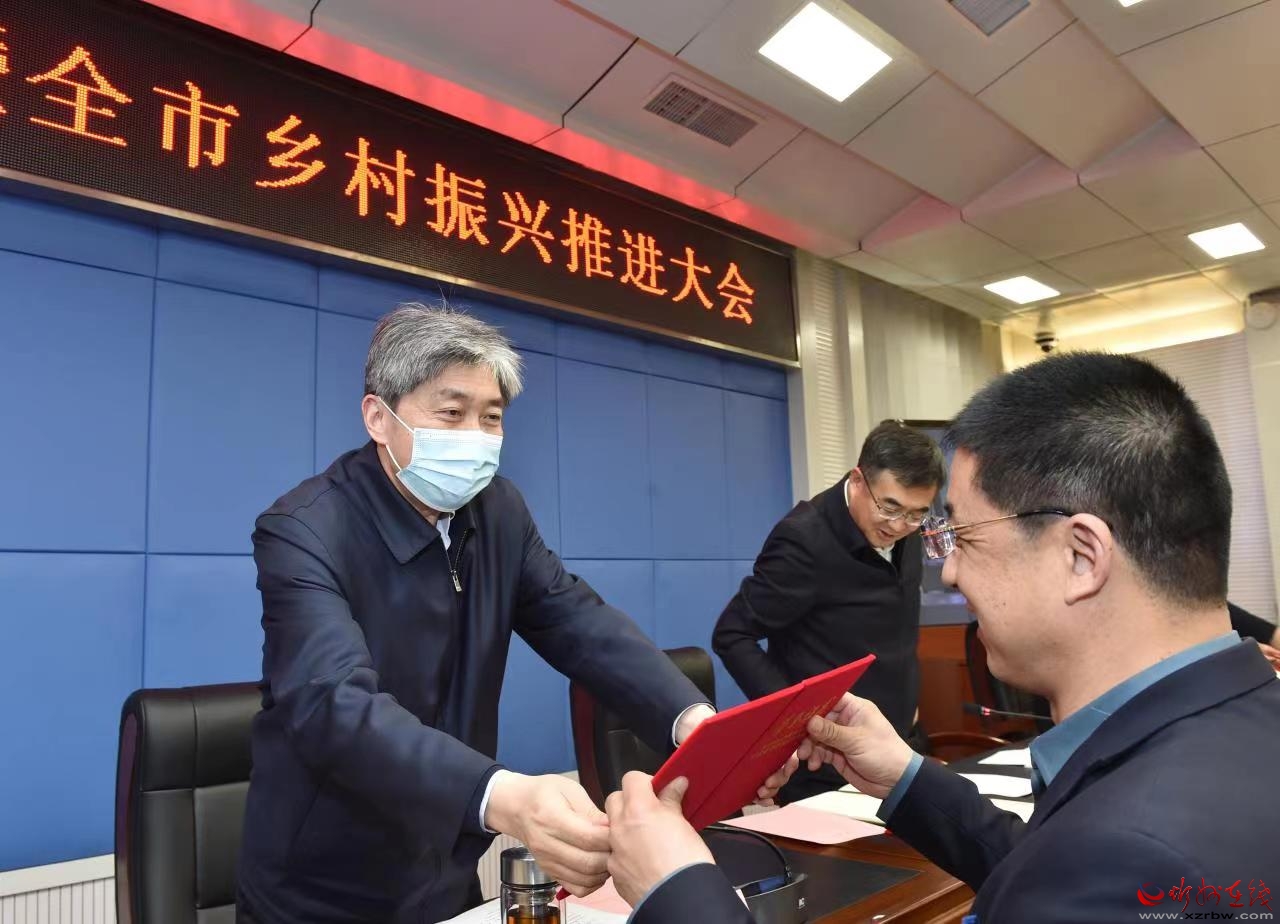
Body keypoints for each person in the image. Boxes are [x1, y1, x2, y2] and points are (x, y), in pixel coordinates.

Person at [604, 352, 1280, 922]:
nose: (948, 570)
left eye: (962, 534)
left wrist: (679, 896)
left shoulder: (1127, 855)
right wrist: (905, 776)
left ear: (1082, 556)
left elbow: (1071, 875)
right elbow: (1036, 869)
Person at [236, 304, 720, 924]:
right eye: (451, 413)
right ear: (378, 417)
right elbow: (334, 703)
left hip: (445, 862)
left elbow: (576, 621)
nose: (475, 436)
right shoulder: (303, 529)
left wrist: (694, 722)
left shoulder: (497, 510)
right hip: (321, 887)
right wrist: (505, 795)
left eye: (491, 417)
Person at [712, 420, 943, 801]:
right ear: (858, 480)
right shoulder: (804, 540)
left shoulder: (907, 527)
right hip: (828, 763)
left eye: (915, 513)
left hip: (902, 746)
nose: (899, 525)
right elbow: (732, 634)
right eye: (890, 507)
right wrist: (795, 722)